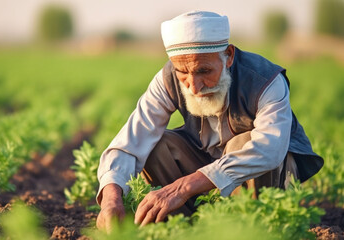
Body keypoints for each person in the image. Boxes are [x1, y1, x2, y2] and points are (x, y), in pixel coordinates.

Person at [95, 10, 323, 231]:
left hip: (267, 178)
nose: (193, 86)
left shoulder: (265, 80)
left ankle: (251, 228)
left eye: (203, 70)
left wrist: (183, 187)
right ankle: (186, 228)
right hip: (203, 164)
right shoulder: (166, 79)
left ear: (229, 56)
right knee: (156, 146)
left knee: (242, 144)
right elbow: (130, 142)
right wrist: (111, 199)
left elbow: (269, 150)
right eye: (183, 72)